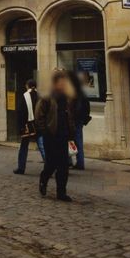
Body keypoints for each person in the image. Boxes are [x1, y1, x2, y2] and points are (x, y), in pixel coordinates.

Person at [35, 69, 75, 202]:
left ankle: (61, 192)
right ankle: (43, 179)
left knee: (64, 166)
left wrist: (71, 132)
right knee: (51, 164)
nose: (63, 85)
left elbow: (69, 115)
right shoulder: (47, 97)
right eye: (62, 83)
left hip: (63, 135)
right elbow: (39, 115)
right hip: (51, 135)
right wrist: (44, 130)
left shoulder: (66, 98)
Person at [13, 79, 45, 175]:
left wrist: (21, 126)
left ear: (27, 86)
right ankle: (50, 167)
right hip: (39, 124)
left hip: (27, 125)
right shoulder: (40, 96)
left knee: (24, 147)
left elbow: (20, 112)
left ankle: (21, 167)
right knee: (42, 146)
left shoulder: (24, 96)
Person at [69, 71, 91, 170]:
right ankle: (79, 162)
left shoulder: (74, 93)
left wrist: (72, 117)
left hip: (74, 120)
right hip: (79, 120)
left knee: (72, 140)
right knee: (78, 141)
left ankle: (75, 162)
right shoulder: (81, 93)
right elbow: (87, 106)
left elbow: (74, 108)